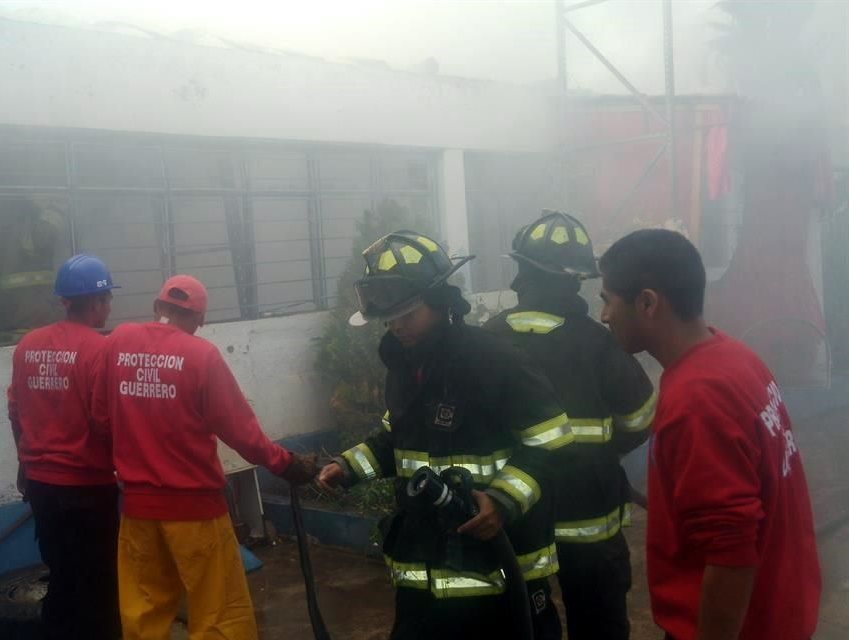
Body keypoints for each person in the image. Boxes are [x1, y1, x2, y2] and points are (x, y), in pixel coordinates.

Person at [318, 231, 570, 640]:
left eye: (409, 315)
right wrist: (346, 467)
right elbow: (393, 440)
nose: (397, 327)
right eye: (390, 319)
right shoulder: (406, 369)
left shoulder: (494, 360)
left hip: (496, 571)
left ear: (441, 305)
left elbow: (552, 440)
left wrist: (504, 500)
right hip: (422, 574)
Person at [598, 229, 820, 640]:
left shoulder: (696, 397)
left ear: (647, 302)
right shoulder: (734, 356)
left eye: (608, 300)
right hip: (778, 610)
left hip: (735, 625)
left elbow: (730, 550)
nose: (605, 316)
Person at [92, 274, 319, 640]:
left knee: (143, 613)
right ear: (200, 319)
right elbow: (242, 433)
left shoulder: (117, 342)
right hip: (195, 512)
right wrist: (285, 463)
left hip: (138, 513)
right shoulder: (201, 355)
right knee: (219, 614)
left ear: (157, 307)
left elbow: (101, 418)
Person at [483, 211, 656, 640]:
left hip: (516, 512)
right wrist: (599, 451)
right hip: (591, 513)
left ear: (521, 270)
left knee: (524, 622)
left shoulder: (489, 338)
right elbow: (641, 417)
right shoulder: (599, 342)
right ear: (576, 279)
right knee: (599, 623)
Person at [7, 254, 121, 640]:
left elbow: (15, 412)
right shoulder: (99, 350)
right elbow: (104, 421)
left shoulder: (27, 345)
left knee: (61, 575)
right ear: (97, 301)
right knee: (100, 583)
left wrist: (25, 464)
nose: (109, 307)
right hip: (87, 488)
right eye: (107, 299)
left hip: (41, 487)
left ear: (64, 300)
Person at [0, 200, 66, 344]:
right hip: (19, 335)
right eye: (48, 229)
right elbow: (46, 234)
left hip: (31, 334)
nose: (52, 240)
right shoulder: (12, 245)